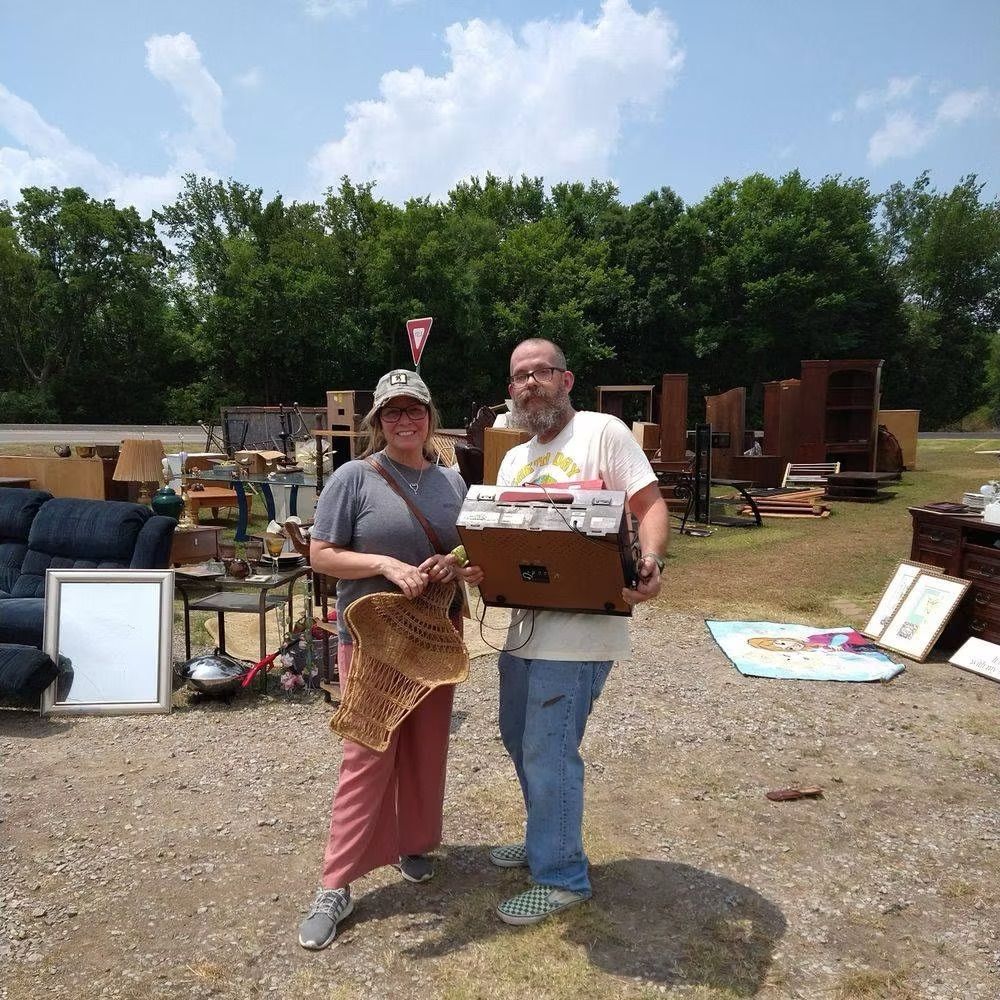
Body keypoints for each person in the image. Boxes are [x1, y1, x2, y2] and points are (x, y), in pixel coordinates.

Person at [298, 369, 483, 951]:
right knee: (368, 753)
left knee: (428, 747)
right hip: (374, 638)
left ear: (430, 417)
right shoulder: (354, 477)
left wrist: (456, 567)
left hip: (436, 633)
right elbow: (322, 555)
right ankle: (337, 882)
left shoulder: (453, 481)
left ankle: (415, 843)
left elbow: (472, 553)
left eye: (416, 410)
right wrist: (383, 564)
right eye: (393, 412)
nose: (406, 421)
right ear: (377, 422)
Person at [489, 338, 668, 925]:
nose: (529, 383)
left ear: (566, 381)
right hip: (523, 627)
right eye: (519, 377)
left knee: (549, 750)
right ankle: (547, 837)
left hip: (583, 629)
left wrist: (652, 561)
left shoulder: (602, 433)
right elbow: (506, 538)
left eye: (541, 372)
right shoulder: (515, 459)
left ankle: (562, 875)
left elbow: (650, 507)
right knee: (519, 740)